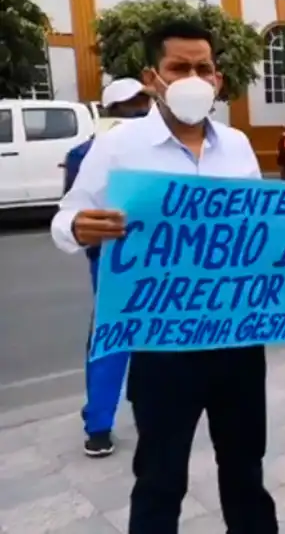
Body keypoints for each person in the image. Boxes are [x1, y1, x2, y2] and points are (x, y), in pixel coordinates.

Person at [50, 20, 285, 534]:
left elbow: (264, 229)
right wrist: (78, 226)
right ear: (153, 77)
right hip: (161, 346)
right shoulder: (121, 146)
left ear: (218, 77)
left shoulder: (236, 147)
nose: (193, 77)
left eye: (203, 67)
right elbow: (65, 217)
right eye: (179, 67)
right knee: (161, 476)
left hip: (237, 343)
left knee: (244, 469)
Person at [63, 77, 153, 458]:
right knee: (123, 337)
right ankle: (104, 423)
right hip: (122, 258)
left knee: (117, 337)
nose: (137, 112)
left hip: (133, 258)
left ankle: (104, 424)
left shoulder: (83, 152)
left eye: (139, 105)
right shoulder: (90, 153)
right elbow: (76, 213)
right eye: (131, 106)